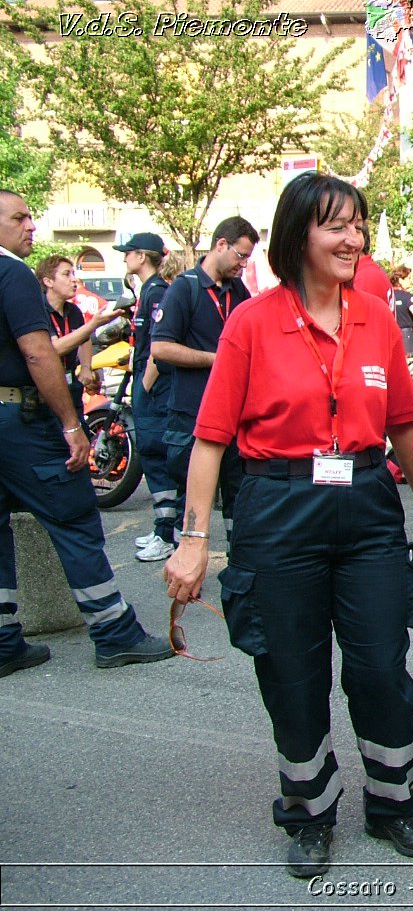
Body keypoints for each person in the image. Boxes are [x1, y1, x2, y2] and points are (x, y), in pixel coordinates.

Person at [163, 172, 413, 878]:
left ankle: (392, 802)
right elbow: (210, 439)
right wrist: (195, 541)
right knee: (292, 672)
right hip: (278, 510)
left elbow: (405, 428)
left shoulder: (377, 318)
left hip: (368, 507)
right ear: (299, 235)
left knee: (382, 666)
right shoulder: (252, 322)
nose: (353, 239)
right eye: (335, 226)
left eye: (358, 225)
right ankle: (308, 810)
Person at [0, 189, 172, 675]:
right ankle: (114, 631)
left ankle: (4, 638)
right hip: (20, 421)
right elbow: (38, 352)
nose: (31, 225)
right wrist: (72, 425)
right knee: (74, 515)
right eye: (20, 217)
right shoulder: (11, 273)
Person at [150, 217, 256, 553]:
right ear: (221, 245)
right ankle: (184, 557)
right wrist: (217, 360)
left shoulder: (239, 291)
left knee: (240, 494)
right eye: (240, 256)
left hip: (236, 414)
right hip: (192, 412)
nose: (243, 264)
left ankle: (240, 559)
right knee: (192, 494)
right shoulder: (185, 288)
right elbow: (160, 348)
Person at [115, 233, 182, 563]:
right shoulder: (148, 291)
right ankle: (164, 529)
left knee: (157, 455)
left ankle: (168, 532)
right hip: (150, 383)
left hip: (155, 388)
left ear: (142, 256)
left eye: (128, 253)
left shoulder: (157, 291)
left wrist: (143, 386)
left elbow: (159, 348)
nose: (125, 259)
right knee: (156, 458)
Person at [34, 254, 125, 420]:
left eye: (73, 274)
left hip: (71, 384)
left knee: (80, 433)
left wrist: (85, 367)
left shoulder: (73, 311)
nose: (74, 280)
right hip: (46, 388)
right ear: (48, 282)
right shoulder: (38, 310)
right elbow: (54, 349)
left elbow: (84, 339)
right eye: (66, 274)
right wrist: (93, 324)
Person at [390, 265, 413, 357]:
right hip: (406, 335)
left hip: (390, 335)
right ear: (400, 280)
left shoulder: (389, 295)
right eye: (408, 278)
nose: (410, 281)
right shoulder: (406, 296)